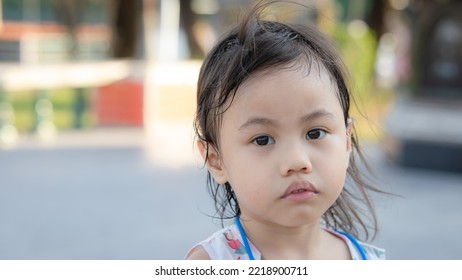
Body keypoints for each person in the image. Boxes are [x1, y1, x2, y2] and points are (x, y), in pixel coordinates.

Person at [186, 1, 385, 260]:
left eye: (315, 133)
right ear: (216, 159)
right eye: (263, 139)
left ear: (347, 142)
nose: (297, 162)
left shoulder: (366, 261)